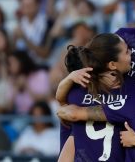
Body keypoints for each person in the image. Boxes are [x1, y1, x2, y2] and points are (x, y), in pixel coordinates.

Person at [56, 33, 131, 162]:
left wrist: (64, 107)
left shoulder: (76, 93)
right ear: (112, 64)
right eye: (126, 52)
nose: (132, 53)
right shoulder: (131, 94)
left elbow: (63, 105)